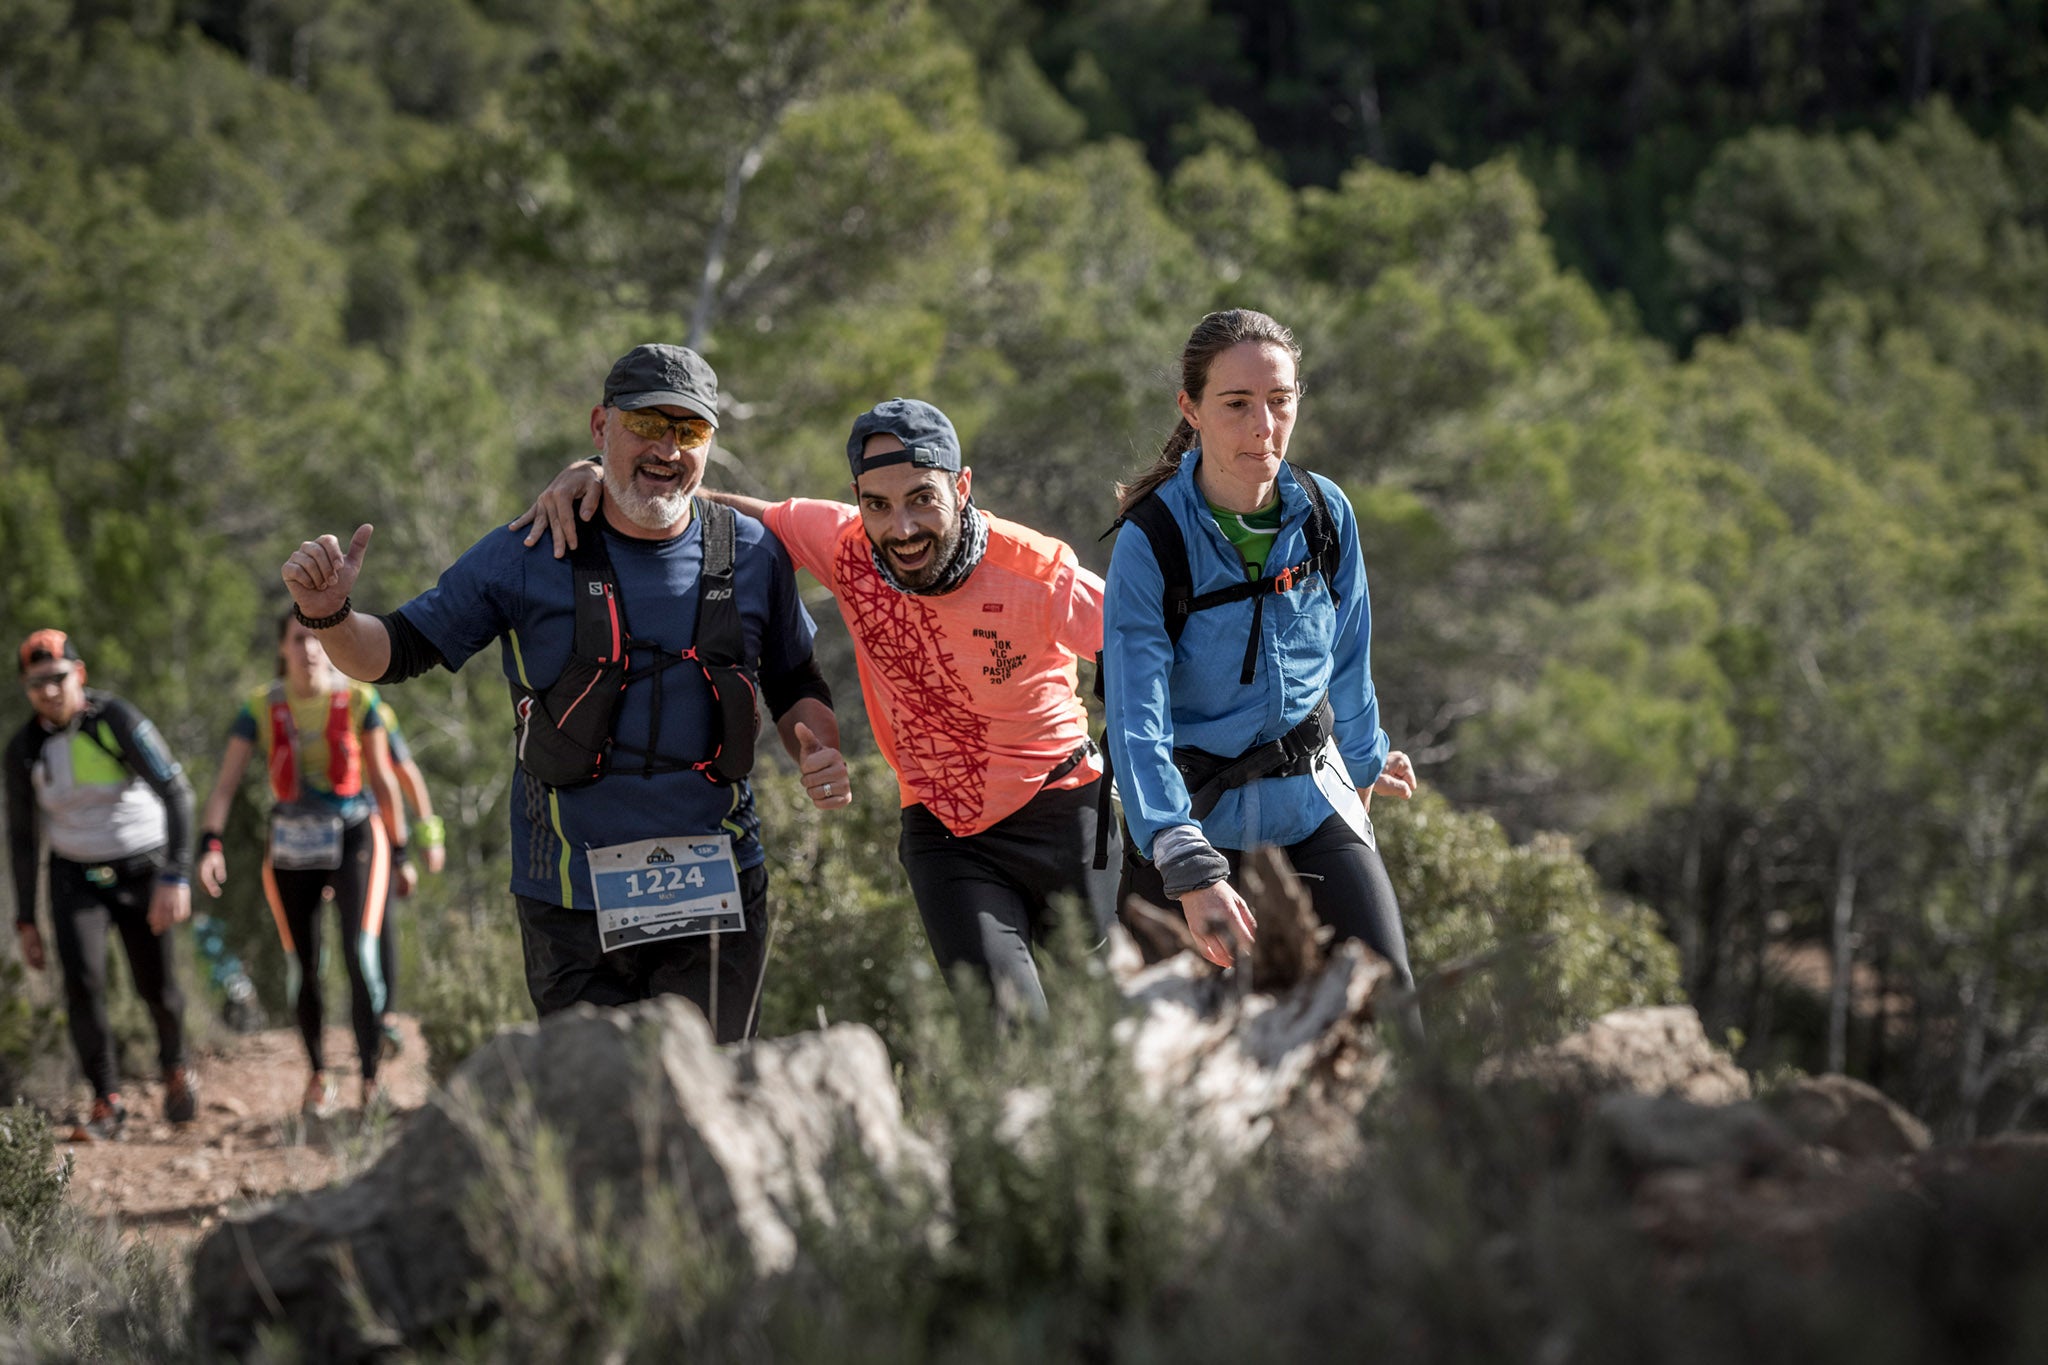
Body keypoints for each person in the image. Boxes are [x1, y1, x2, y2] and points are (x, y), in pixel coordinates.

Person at [277, 343, 847, 1042]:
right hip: (570, 900)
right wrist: (329, 614)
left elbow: (795, 679)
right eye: (647, 424)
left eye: (689, 431)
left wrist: (816, 745)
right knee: (598, 1116)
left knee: (704, 1102)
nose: (667, 448)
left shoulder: (753, 553)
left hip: (719, 889)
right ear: (600, 425)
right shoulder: (527, 553)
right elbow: (394, 650)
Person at [517, 397, 1120, 1022]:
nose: (902, 529)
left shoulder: (1038, 574)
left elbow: (1155, 654)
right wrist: (602, 475)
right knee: (1009, 1026)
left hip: (1062, 811)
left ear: (961, 487)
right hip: (947, 834)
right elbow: (714, 510)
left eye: (922, 498)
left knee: (1103, 1022)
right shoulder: (844, 543)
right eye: (877, 504)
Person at [1103, 308, 1419, 999]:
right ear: (1190, 408)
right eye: (1237, 404)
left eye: (1280, 401)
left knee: (1391, 1015)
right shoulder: (1152, 540)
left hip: (1310, 808)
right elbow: (1136, 717)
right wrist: (1184, 861)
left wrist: (1364, 763)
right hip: (1188, 824)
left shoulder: (1324, 511)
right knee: (1159, 1073)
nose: (1263, 425)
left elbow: (1350, 655)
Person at [197, 610, 414, 1114]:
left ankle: (369, 1078)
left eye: (318, 640)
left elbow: (385, 781)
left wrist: (401, 852)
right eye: (299, 640)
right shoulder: (260, 705)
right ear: (283, 649)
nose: (310, 649)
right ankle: (317, 1076)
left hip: (355, 832)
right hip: (292, 843)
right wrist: (211, 843)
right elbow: (225, 785)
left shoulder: (359, 697)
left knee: (361, 954)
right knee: (305, 965)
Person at [5, 629, 197, 1137]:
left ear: (80, 674)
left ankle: (175, 1069)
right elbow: (23, 840)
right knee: (83, 984)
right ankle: (106, 1099)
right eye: (35, 683)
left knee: (156, 986)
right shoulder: (24, 749)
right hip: (74, 874)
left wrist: (176, 875)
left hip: (143, 868)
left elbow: (177, 793)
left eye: (57, 679)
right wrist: (25, 918)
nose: (48, 692)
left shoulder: (117, 720)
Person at [368, 696, 444, 1057]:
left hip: (376, 834)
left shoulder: (373, 709)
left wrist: (430, 836)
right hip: (315, 833)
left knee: (380, 922)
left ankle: (387, 1016)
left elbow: (404, 771)